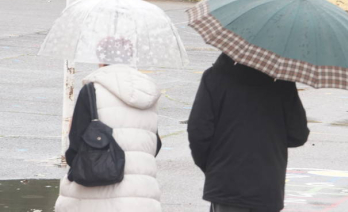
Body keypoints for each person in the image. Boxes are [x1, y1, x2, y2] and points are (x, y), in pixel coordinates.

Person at [187, 53, 309, 212]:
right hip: (267, 184)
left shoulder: (214, 77)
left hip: (225, 182)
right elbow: (298, 134)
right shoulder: (282, 83)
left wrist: (211, 167)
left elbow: (199, 131)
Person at [55, 63, 163, 211]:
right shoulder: (149, 93)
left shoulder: (92, 90)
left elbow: (76, 146)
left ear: (102, 59)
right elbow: (154, 144)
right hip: (143, 193)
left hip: (96, 194)